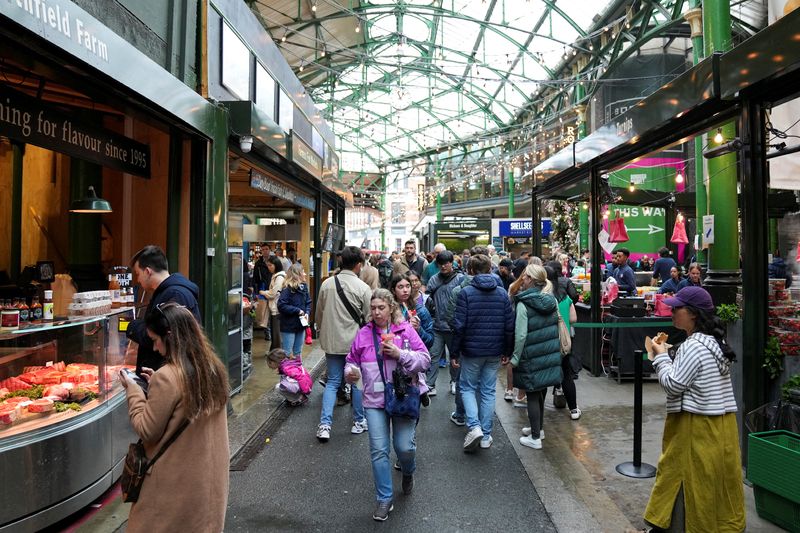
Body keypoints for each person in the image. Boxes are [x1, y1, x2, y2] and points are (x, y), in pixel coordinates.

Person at [120, 303, 228, 533]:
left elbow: (147, 430)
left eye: (156, 340)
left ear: (170, 336)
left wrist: (134, 390)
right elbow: (185, 405)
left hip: (171, 491)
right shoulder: (212, 368)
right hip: (205, 488)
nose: (156, 349)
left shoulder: (168, 377)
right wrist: (155, 387)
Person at [644, 286, 744, 531]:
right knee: (715, 483)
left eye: (678, 308)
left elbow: (673, 385)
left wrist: (660, 357)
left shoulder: (692, 346)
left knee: (686, 480)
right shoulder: (714, 342)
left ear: (694, 314)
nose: (672, 311)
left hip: (695, 426)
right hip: (720, 426)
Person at [344, 289, 430, 522]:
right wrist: (350, 374)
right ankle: (384, 498)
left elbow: (425, 359)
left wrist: (400, 354)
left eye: (381, 307)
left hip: (402, 398)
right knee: (379, 450)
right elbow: (351, 361)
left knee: (404, 447)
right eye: (373, 308)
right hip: (373, 400)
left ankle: (408, 471)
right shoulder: (363, 334)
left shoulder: (405, 331)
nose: (376, 312)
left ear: (391, 308)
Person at [450, 254, 514, 451]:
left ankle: (475, 426)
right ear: (490, 269)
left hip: (471, 350)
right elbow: (509, 325)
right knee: (488, 391)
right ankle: (486, 435)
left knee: (467, 387)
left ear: (470, 270)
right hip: (495, 349)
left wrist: (454, 352)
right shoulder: (502, 293)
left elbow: (459, 326)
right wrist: (507, 350)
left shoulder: (466, 293)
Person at [315, 246, 372, 441]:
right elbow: (369, 318)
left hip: (332, 341)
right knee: (356, 382)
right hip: (355, 344)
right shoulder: (363, 288)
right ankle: (358, 421)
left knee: (332, 382)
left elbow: (319, 314)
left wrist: (320, 330)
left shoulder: (327, 284)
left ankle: (325, 425)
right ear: (358, 265)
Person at [127, 245, 201, 377]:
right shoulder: (167, 292)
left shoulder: (175, 294)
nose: (137, 280)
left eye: (138, 274)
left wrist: (131, 326)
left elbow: (162, 337)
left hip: (168, 379)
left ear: (148, 271)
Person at [511, 264, 563, 450]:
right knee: (541, 392)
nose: (522, 280)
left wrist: (515, 358)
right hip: (548, 353)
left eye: (525, 277)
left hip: (531, 355)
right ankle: (538, 429)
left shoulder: (524, 303)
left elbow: (521, 335)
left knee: (532, 394)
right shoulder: (551, 299)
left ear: (531, 279)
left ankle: (535, 438)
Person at [425, 250, 465, 405]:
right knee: (433, 355)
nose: (443, 266)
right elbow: (427, 298)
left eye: (446, 263)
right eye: (440, 264)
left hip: (453, 326)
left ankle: (454, 381)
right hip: (436, 325)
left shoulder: (460, 279)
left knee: (454, 357)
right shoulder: (434, 279)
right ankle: (430, 384)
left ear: (452, 263)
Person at [544, 265, 581, 420]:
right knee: (566, 375)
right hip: (563, 342)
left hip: (545, 342)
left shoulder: (542, 297)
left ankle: (538, 415)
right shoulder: (565, 297)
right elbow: (573, 319)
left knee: (543, 378)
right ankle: (573, 410)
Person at [277, 264, 311, 360]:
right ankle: (285, 374)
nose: (305, 274)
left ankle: (297, 373)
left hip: (301, 325)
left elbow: (308, 302)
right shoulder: (287, 289)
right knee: (287, 353)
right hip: (288, 326)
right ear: (297, 274)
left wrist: (307, 312)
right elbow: (281, 305)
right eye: (303, 272)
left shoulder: (304, 288)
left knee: (298, 352)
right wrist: (297, 310)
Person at [259, 256, 285, 351]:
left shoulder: (279, 278)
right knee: (275, 333)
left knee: (276, 333)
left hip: (277, 309)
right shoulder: (276, 276)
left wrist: (263, 292)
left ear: (276, 265)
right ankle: (274, 352)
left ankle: (277, 354)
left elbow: (273, 293)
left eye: (270, 265)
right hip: (275, 308)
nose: (269, 267)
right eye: (268, 265)